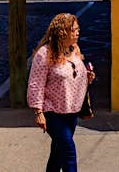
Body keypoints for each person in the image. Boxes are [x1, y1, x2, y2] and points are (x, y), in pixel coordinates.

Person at [27, 13, 95, 172]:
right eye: (73, 30)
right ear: (62, 32)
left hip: (72, 110)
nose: (77, 33)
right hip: (52, 112)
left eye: (77, 30)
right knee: (69, 152)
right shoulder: (45, 53)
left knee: (58, 153)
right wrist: (38, 112)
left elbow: (74, 75)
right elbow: (36, 83)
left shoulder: (75, 49)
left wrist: (87, 77)